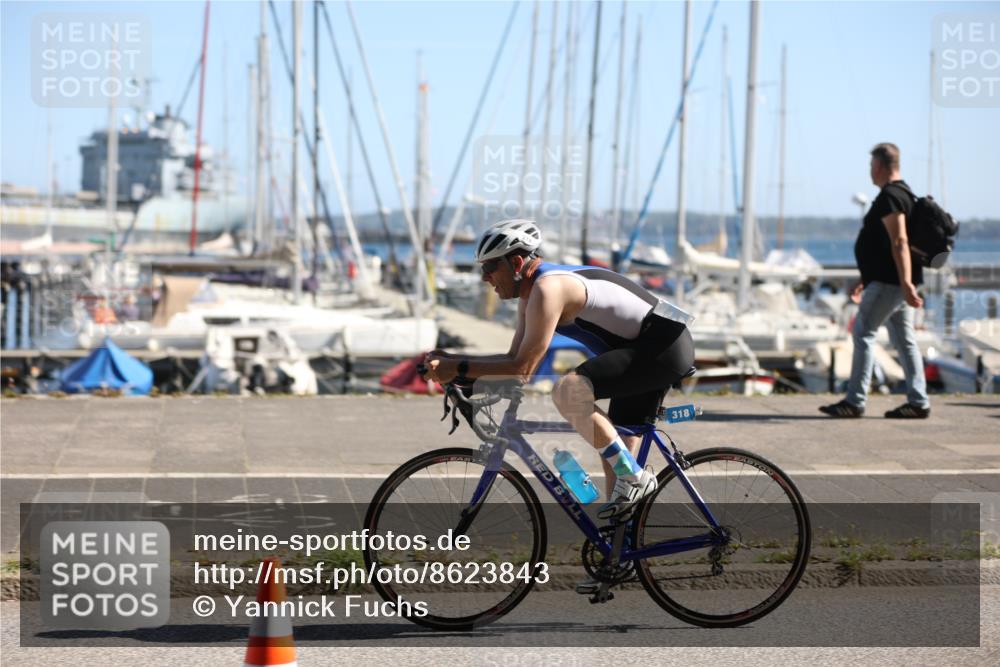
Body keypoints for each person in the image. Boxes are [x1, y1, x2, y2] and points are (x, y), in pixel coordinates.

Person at [424, 219, 696, 523]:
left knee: (569, 391)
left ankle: (635, 478)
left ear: (516, 262)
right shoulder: (530, 292)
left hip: (663, 347)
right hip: (643, 349)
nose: (485, 278)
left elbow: (522, 370)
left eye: (489, 268)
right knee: (615, 459)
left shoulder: (548, 287)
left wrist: (457, 368)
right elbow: (513, 356)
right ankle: (623, 558)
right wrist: (454, 360)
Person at [820, 143, 930, 419]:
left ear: (879, 166)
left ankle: (855, 400)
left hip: (889, 283)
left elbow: (899, 241)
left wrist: (905, 283)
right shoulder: (905, 194)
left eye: (871, 165)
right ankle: (919, 401)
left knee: (863, 333)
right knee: (905, 340)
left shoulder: (891, 197)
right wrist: (864, 277)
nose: (870, 171)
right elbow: (883, 247)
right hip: (889, 281)